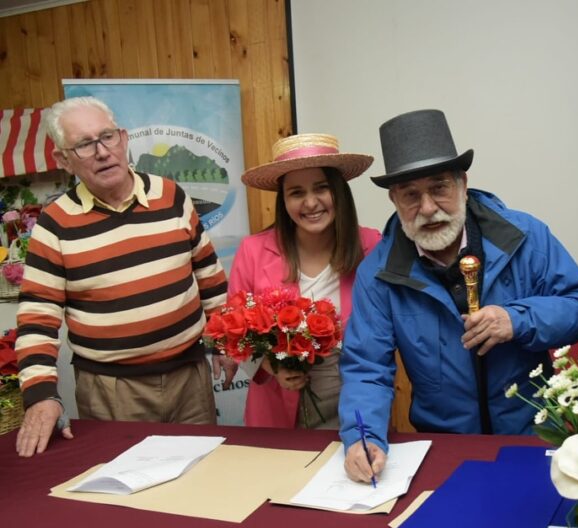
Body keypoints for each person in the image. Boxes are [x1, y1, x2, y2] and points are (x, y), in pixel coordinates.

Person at [339, 109, 578, 481]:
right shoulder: (377, 274)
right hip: (444, 449)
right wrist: (362, 437)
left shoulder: (526, 236)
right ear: (394, 199)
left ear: (462, 183)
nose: (427, 208)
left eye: (439, 187)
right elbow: (367, 368)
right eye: (411, 195)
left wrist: (517, 319)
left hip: (533, 436)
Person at [14, 96, 237, 457]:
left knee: (202, 479)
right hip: (111, 391)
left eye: (107, 137)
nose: (102, 152)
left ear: (123, 138)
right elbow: (37, 320)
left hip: (190, 379)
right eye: (85, 144)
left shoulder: (172, 197)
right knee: (124, 499)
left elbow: (209, 276)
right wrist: (40, 395)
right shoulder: (55, 224)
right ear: (63, 159)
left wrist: (225, 341)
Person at [232, 133, 380, 429]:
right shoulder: (253, 251)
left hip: (356, 405)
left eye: (322, 188)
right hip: (278, 407)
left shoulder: (372, 245)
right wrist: (271, 366)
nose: (311, 203)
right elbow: (233, 333)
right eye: (296, 192)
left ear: (339, 192)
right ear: (283, 200)